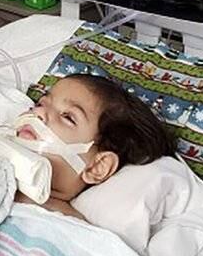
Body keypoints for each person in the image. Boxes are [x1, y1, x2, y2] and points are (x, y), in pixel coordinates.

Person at [14, 74, 175, 218]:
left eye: (68, 117)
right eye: (40, 104)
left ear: (97, 167)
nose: (38, 113)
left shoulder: (72, 227)